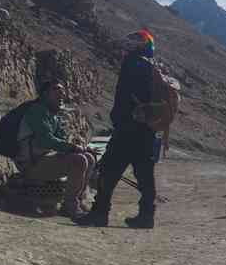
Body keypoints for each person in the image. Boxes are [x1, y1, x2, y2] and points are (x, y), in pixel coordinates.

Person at [77, 29, 158, 229]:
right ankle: (147, 216)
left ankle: (99, 213)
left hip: (127, 129)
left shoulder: (132, 63)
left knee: (108, 170)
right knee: (145, 175)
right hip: (147, 131)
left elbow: (126, 97)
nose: (127, 45)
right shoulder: (152, 66)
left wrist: (121, 118)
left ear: (138, 45)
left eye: (132, 42)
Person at [14, 80, 95, 218]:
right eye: (56, 90)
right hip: (32, 163)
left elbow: (61, 141)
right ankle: (70, 206)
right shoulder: (37, 111)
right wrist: (72, 148)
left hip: (45, 160)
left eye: (62, 91)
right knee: (79, 160)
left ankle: (78, 201)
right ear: (45, 94)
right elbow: (45, 140)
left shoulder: (54, 116)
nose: (62, 94)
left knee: (89, 158)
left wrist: (79, 148)